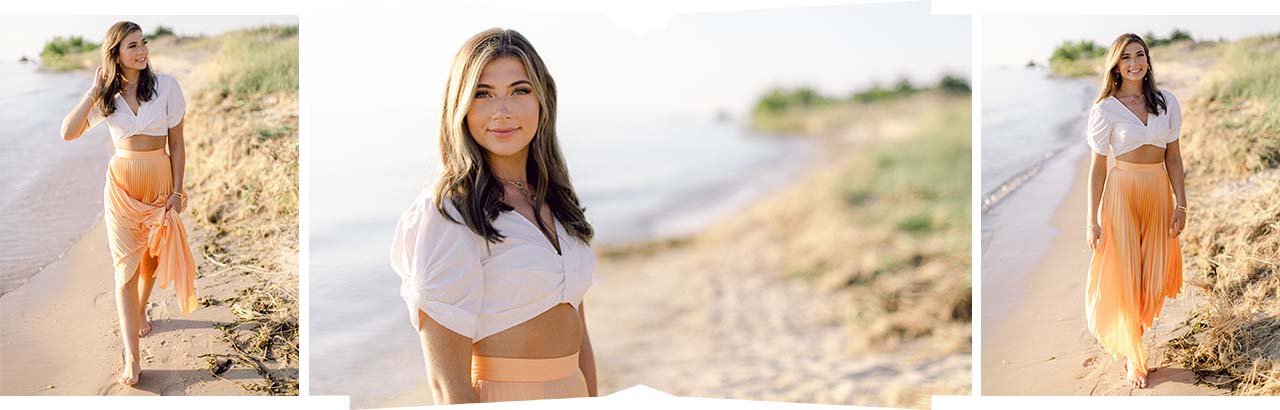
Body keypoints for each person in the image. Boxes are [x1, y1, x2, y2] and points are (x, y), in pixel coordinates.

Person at [390, 28, 598, 403]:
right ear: (460, 107)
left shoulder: (556, 200)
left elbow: (581, 341)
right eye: (482, 94)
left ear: (542, 100)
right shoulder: (450, 212)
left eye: (519, 90)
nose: (502, 112)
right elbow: (447, 385)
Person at [59, 21, 199, 387]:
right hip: (122, 189)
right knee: (125, 269)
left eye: (143, 43)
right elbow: (68, 132)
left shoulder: (166, 87)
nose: (142, 51)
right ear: (116, 54)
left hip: (159, 184)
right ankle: (132, 356)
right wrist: (94, 90)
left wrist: (178, 191)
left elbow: (177, 144)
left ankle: (140, 308)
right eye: (132, 45)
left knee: (151, 259)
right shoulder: (106, 98)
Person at [1083, 32, 1187, 389]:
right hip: (1121, 194)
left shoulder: (1166, 102)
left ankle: (1134, 338)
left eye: (1139, 55)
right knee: (1127, 273)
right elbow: (1097, 169)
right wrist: (1091, 220)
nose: (1134, 62)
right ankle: (1133, 354)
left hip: (1158, 192)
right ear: (1116, 65)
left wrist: (1182, 203)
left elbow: (1174, 158)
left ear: (1148, 60)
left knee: (1152, 277)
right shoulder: (1105, 109)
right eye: (1125, 57)